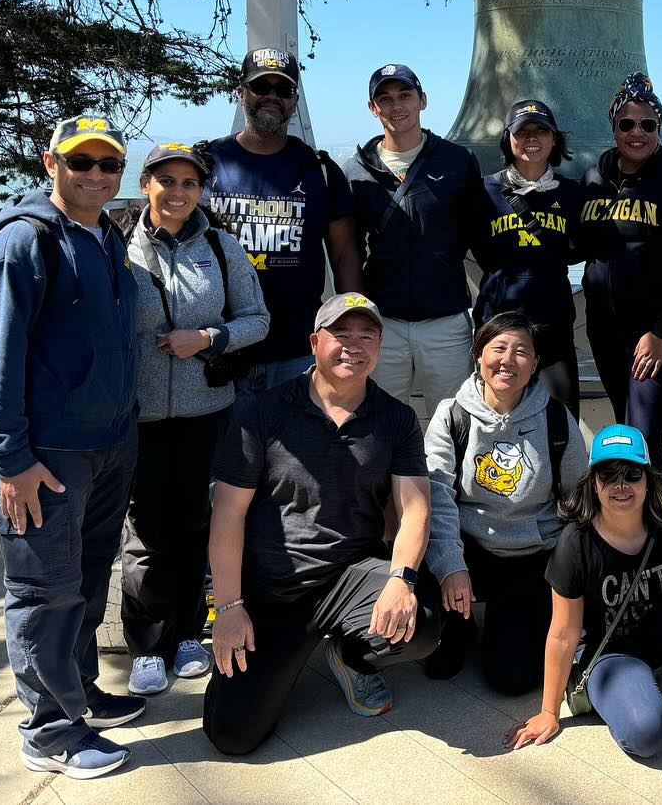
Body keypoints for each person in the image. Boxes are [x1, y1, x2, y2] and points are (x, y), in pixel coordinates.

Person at [0, 115, 143, 780]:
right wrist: (11, 459)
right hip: (49, 452)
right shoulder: (24, 242)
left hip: (109, 444)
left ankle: (80, 692)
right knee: (43, 589)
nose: (96, 175)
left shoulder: (105, 236)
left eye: (108, 165)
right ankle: (48, 729)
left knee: (90, 575)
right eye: (81, 162)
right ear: (51, 162)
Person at [201, 293, 444, 755]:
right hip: (273, 588)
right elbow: (228, 514)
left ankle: (350, 655)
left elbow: (415, 508)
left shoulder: (396, 418)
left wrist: (401, 579)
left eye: (366, 336)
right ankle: (280, 653)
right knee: (232, 735)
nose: (354, 345)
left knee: (424, 621)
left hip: (349, 576)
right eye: (341, 334)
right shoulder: (263, 411)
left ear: (379, 346)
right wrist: (228, 608)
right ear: (315, 342)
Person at [117, 142, 270, 697]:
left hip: (209, 409)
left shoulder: (223, 248)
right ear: (145, 184)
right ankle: (146, 643)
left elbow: (258, 320)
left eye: (188, 182)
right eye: (166, 180)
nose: (177, 192)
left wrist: (206, 339)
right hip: (138, 414)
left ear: (201, 190)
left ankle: (186, 634)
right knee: (147, 531)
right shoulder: (119, 247)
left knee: (196, 522)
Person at [505, 424, 662, 759]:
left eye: (632, 474)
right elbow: (563, 633)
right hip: (611, 654)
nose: (621, 485)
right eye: (608, 474)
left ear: (648, 481)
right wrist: (549, 710)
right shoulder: (576, 544)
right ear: (594, 483)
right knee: (645, 736)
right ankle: (624, 685)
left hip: (661, 636)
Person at [422, 312, 589, 691]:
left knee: (512, 679)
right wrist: (449, 566)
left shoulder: (555, 419)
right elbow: (438, 496)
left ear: (535, 365)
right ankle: (457, 626)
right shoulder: (452, 415)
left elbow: (579, 497)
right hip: (469, 549)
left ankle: (507, 619)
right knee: (434, 653)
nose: (508, 360)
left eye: (521, 352)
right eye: (498, 348)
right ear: (478, 355)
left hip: (531, 554)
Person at [202, 48, 361, 391]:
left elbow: (345, 253)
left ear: (295, 101)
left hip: (298, 351)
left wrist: (352, 325)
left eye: (283, 90)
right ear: (241, 92)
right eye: (261, 87)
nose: (271, 96)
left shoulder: (320, 170)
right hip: (218, 348)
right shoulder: (206, 165)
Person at [579, 72, 662, 470]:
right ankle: (636, 520)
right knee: (626, 431)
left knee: (642, 433)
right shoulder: (593, 180)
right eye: (627, 124)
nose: (637, 132)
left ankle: (656, 526)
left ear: (659, 128)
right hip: (603, 330)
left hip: (654, 333)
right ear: (614, 126)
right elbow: (580, 245)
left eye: (648, 125)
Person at [342, 63, 482, 407]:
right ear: (373, 108)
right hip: (383, 322)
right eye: (385, 98)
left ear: (423, 100)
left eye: (405, 95)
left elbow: (482, 237)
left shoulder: (458, 161)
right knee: (380, 421)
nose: (396, 106)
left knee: (453, 424)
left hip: (447, 323)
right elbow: (348, 250)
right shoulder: (354, 171)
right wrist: (354, 316)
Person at [470, 100, 585, 415]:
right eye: (522, 132)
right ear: (508, 139)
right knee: (495, 421)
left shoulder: (572, 193)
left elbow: (581, 247)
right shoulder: (484, 193)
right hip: (499, 326)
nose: (531, 139)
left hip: (553, 327)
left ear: (554, 139)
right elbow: (479, 249)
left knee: (563, 421)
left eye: (541, 131)